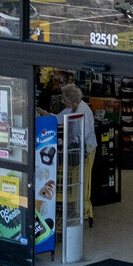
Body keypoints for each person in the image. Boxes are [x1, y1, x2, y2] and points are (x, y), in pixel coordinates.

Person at [59, 83, 98, 227]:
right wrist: (44, 114)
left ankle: (86, 211)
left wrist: (71, 141)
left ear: (72, 100)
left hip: (87, 149)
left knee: (84, 180)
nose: (63, 102)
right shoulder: (72, 108)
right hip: (78, 149)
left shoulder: (83, 110)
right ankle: (77, 208)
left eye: (65, 100)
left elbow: (85, 133)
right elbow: (59, 118)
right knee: (78, 179)